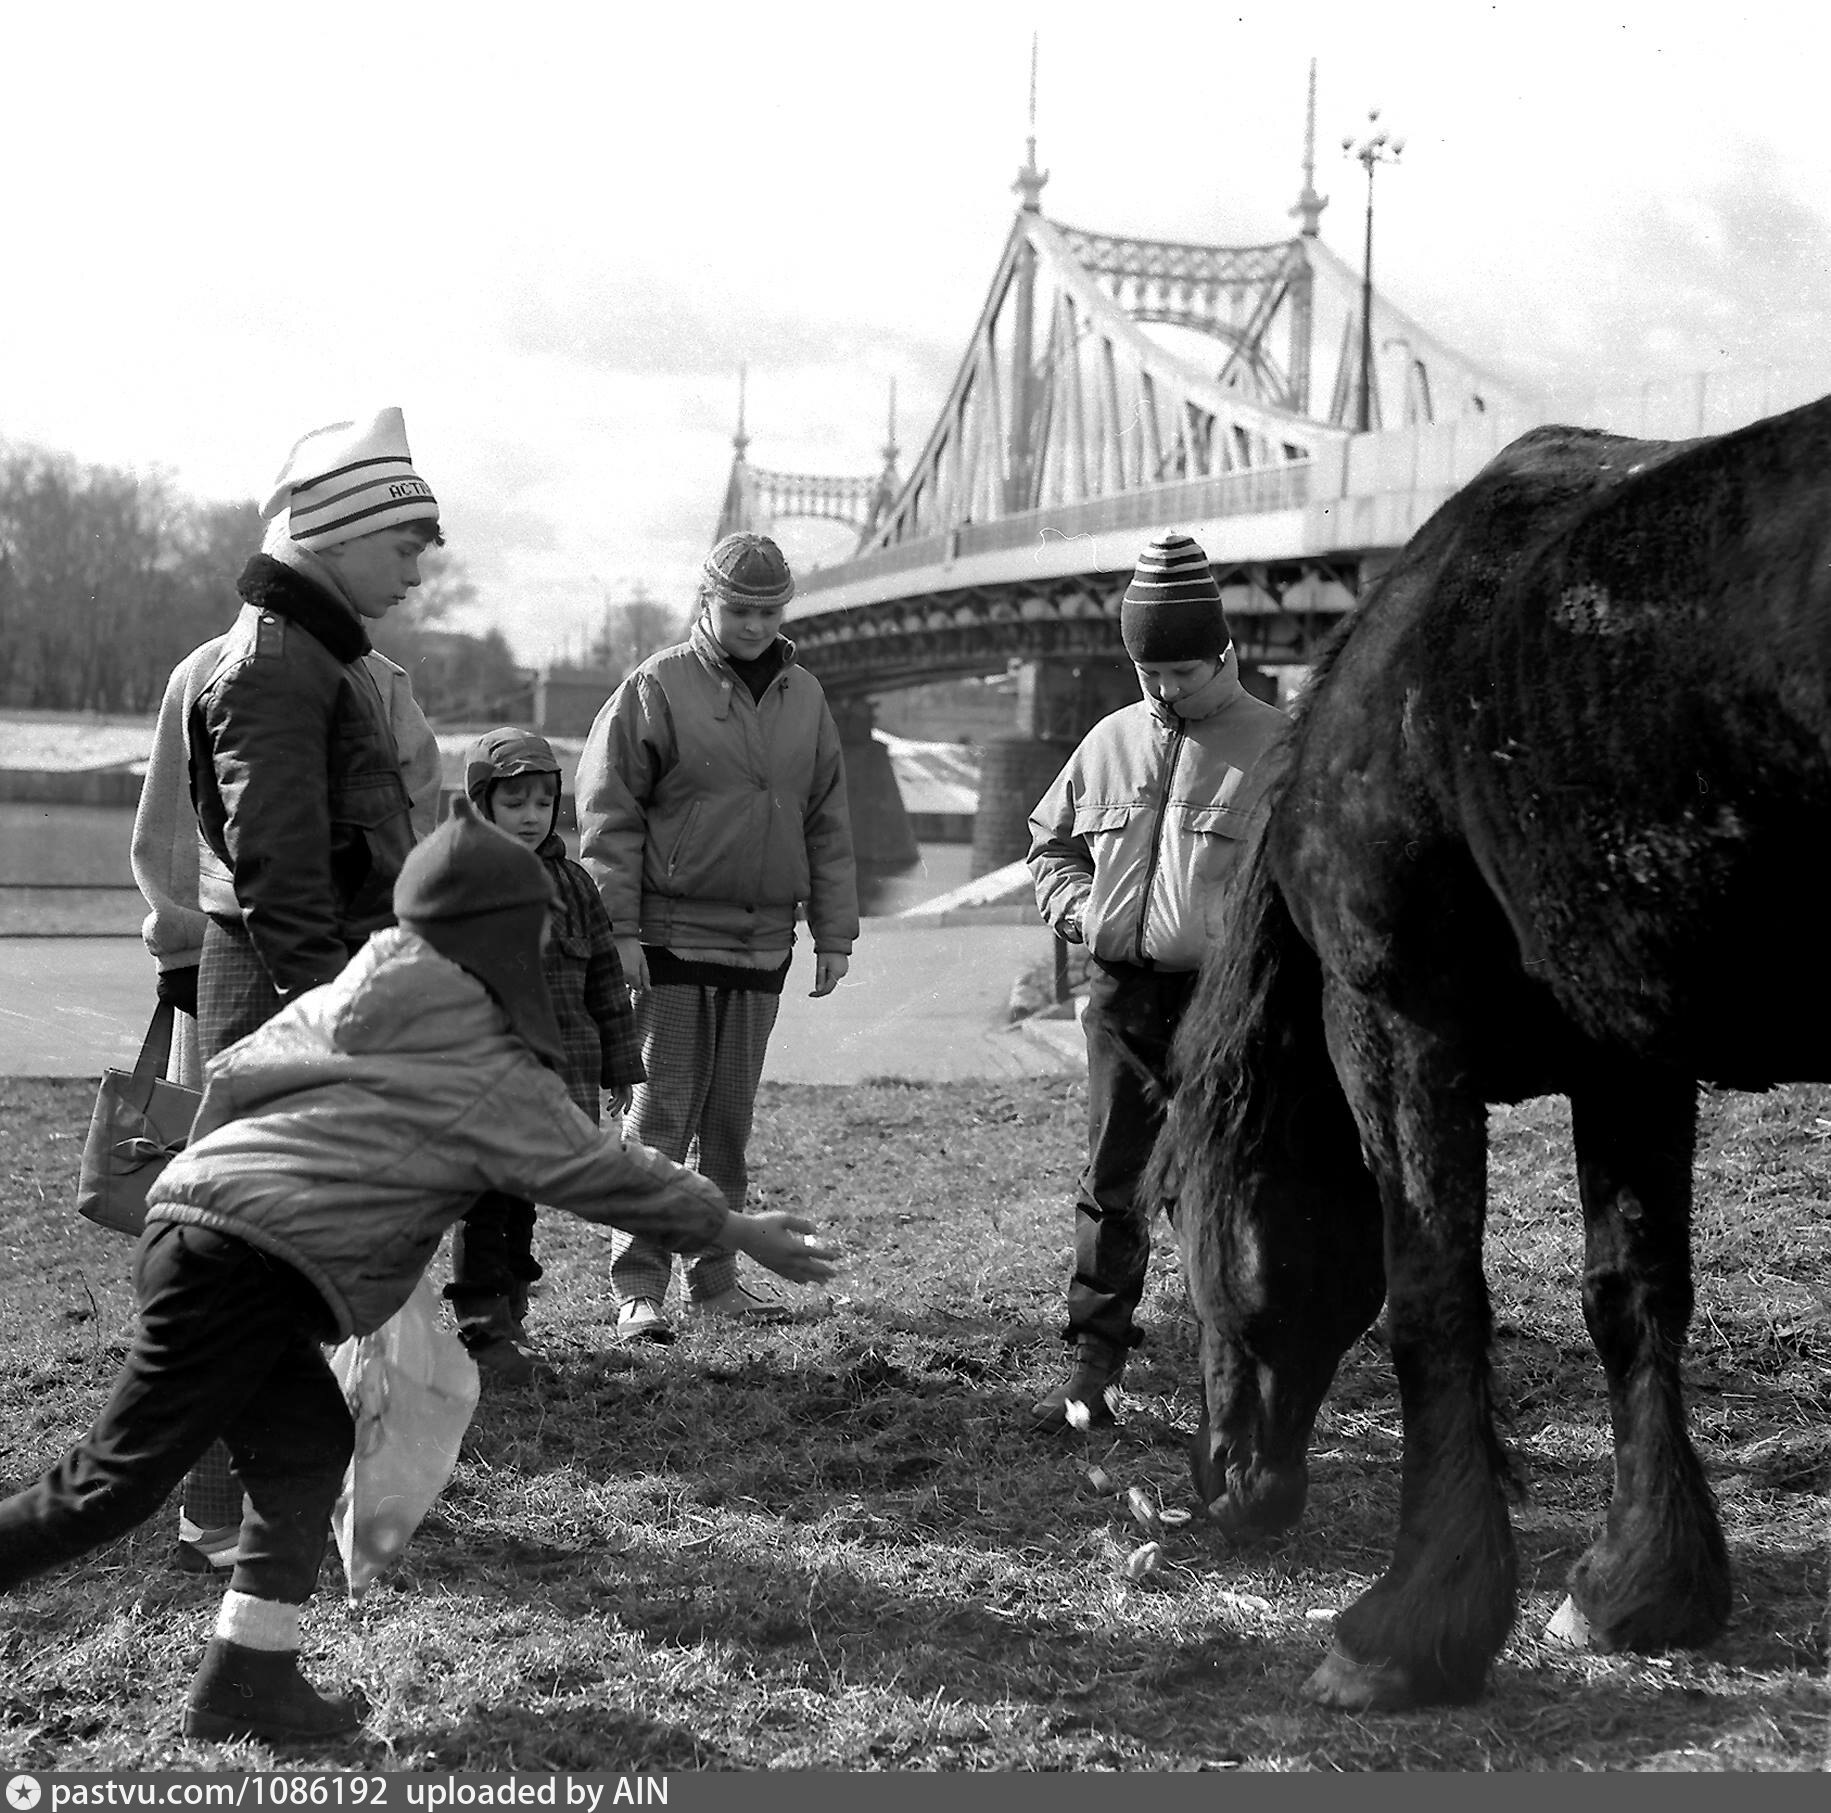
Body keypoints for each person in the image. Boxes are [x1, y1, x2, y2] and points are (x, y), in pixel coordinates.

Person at [0, 800, 841, 1744]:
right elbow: (599, 1170)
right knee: (110, 1484)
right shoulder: (479, 1055)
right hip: (243, 1264)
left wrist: (202, 1192)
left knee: (307, 1442)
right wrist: (732, 1226)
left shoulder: (359, 984)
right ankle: (242, 1674)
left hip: (206, 1238)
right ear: (502, 936)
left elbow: (233, 1073)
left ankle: (247, 1677)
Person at [131, 617, 443, 1571]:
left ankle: (257, 1499)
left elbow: (159, 847)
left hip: (269, 983)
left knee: (255, 1251)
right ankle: (240, 1504)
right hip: (284, 989)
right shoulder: (301, 677)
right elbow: (169, 836)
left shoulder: (336, 677)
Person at [1026, 531, 1288, 1428]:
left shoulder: (1277, 747)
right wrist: (1076, 912)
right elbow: (1050, 843)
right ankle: (1094, 1363)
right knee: (1113, 1181)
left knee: (1222, 1189)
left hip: (1225, 1007)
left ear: (1221, 652)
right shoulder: (1106, 741)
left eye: (1181, 670)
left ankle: (1239, 1369)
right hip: (1118, 1000)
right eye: (1149, 673)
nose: (1167, 690)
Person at [576, 531, 858, 1344]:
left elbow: (828, 819)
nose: (753, 625)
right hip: (668, 937)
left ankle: (717, 1280)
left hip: (763, 943)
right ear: (705, 601)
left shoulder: (806, 696)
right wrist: (618, 928)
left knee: (729, 1124)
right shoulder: (655, 686)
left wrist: (832, 932)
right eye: (738, 608)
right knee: (656, 1118)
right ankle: (638, 1287)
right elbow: (607, 818)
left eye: (769, 611)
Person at [451, 726, 646, 1381]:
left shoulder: (575, 883)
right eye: (514, 802)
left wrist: (620, 1066)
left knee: (523, 1201)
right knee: (483, 1202)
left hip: (556, 1082)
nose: (531, 815)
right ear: (482, 805)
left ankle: (512, 1312)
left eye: (542, 800)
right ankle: (483, 1330)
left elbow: (601, 984)